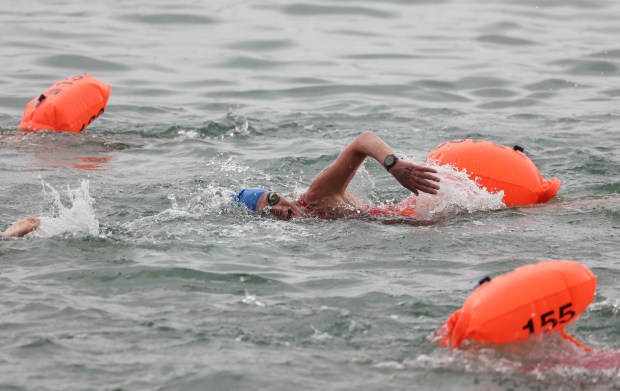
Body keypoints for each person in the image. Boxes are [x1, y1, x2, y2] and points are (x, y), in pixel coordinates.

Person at [234, 131, 441, 220]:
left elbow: (363, 140)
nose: (278, 208)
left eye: (272, 199)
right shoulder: (310, 222)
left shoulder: (317, 197)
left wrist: (393, 165)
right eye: (267, 212)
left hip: (429, 206)